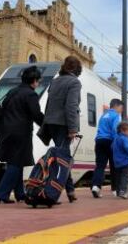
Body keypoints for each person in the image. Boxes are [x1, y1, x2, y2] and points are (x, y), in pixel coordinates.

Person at [0, 66, 44, 204]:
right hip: (20, 133)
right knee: (16, 164)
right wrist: (47, 126)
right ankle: (2, 194)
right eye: (38, 81)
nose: (38, 83)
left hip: (6, 132)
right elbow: (36, 114)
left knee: (16, 162)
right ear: (33, 81)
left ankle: (20, 194)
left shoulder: (12, 92)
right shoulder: (30, 94)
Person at [44, 56, 82, 203]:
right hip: (64, 125)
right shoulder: (74, 82)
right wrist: (73, 128)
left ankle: (70, 191)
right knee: (62, 159)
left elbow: (49, 104)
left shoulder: (54, 81)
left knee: (62, 157)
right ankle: (51, 193)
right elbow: (71, 106)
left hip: (52, 124)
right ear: (76, 69)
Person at [91, 99, 124, 198]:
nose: (121, 110)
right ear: (117, 106)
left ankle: (96, 187)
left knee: (100, 166)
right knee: (114, 166)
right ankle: (115, 190)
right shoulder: (116, 116)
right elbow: (115, 129)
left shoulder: (103, 116)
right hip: (110, 141)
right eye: (121, 108)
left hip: (99, 141)